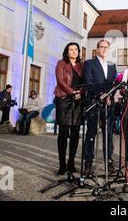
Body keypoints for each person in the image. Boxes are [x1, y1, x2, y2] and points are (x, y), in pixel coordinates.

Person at [83, 40, 117, 176]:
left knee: (108, 134)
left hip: (108, 105)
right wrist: (100, 94)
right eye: (101, 47)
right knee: (91, 133)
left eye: (106, 47)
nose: (103, 49)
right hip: (94, 103)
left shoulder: (112, 65)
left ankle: (108, 161)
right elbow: (88, 82)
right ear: (97, 49)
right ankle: (88, 162)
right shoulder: (89, 63)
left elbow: (114, 84)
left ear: (108, 50)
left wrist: (109, 95)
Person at [53, 42, 85, 175]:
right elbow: (60, 81)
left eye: (76, 49)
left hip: (78, 101)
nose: (74, 51)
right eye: (71, 49)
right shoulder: (61, 63)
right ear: (67, 52)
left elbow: (85, 82)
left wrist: (80, 93)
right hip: (64, 99)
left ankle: (71, 163)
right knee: (63, 132)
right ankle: (62, 165)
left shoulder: (82, 66)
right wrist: (72, 92)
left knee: (75, 133)